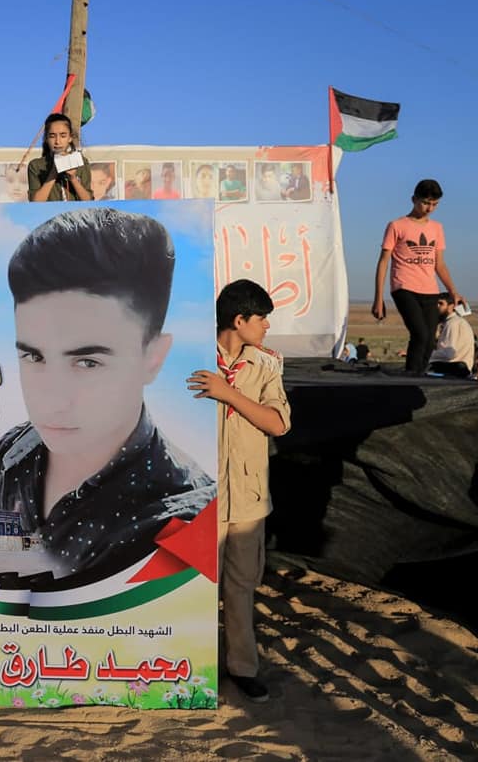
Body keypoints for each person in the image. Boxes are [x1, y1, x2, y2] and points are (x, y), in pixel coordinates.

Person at [0, 208, 214, 577]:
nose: (52, 400)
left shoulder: (183, 514)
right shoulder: (12, 451)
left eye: (87, 362)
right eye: (33, 356)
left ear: (153, 357)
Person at [187, 279, 291, 704]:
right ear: (239, 320)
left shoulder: (266, 365)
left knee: (241, 587)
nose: (267, 326)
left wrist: (228, 394)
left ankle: (242, 668)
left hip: (247, 497)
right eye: (261, 318)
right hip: (201, 497)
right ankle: (193, 668)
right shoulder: (191, 358)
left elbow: (278, 423)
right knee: (193, 586)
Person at [371, 179, 466, 374]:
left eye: (434, 204)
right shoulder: (397, 225)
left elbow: (439, 264)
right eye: (425, 202)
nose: (429, 208)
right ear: (414, 199)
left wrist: (453, 292)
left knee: (430, 340)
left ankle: (419, 376)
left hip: (429, 290)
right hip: (404, 287)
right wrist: (378, 298)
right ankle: (411, 378)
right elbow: (383, 262)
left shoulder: (437, 228)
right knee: (420, 334)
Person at [27, 113, 93, 202]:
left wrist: (73, 179)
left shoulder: (81, 162)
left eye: (63, 136)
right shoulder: (36, 166)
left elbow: (89, 201)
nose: (57, 141)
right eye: (52, 136)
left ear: (70, 137)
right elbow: (35, 202)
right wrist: (53, 173)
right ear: (46, 138)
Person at [428, 292, 474, 377]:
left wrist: (425, 354)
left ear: (451, 306)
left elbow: (449, 353)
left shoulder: (453, 323)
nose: (437, 306)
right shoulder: (455, 322)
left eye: (441, 303)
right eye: (436, 304)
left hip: (454, 371)